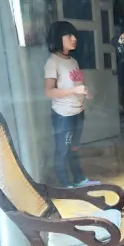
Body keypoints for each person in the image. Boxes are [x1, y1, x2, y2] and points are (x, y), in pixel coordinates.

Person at [44, 21, 99, 187]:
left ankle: (79, 179)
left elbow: (75, 84)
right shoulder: (52, 62)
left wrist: (86, 92)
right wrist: (74, 91)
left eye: (74, 35)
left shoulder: (73, 61)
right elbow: (49, 91)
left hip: (78, 112)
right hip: (63, 115)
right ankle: (64, 184)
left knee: (74, 148)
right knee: (63, 150)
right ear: (57, 38)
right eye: (68, 35)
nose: (74, 39)